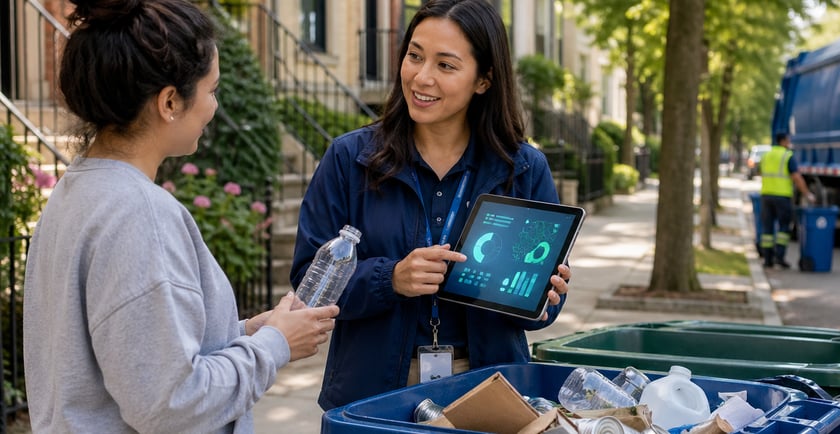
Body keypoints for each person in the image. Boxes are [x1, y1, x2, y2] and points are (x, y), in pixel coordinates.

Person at [22, 1, 340, 432]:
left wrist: (245, 332)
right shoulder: (140, 214)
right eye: (211, 90)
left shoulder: (76, 191)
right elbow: (170, 404)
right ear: (170, 101)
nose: (213, 107)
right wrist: (275, 344)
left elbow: (132, 353)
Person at [291, 0, 572, 409]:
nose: (421, 78)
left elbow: (538, 309)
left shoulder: (524, 168)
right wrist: (391, 278)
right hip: (373, 391)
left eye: (446, 65)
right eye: (414, 56)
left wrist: (544, 298)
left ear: (484, 80)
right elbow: (307, 283)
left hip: (488, 390)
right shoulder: (349, 159)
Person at [759, 133, 815, 269]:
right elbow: (796, 177)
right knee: (783, 228)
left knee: (767, 229)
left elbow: (761, 173)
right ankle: (779, 257)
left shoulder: (766, 155)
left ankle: (767, 259)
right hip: (782, 197)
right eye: (788, 140)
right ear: (783, 141)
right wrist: (807, 194)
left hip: (766, 196)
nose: (789, 143)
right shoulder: (787, 156)